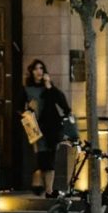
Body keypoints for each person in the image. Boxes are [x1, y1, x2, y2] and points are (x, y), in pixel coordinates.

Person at [22, 59, 72, 197]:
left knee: (49, 158)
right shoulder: (27, 89)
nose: (39, 71)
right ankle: (38, 181)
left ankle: (48, 190)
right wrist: (28, 110)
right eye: (36, 69)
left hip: (51, 128)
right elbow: (20, 108)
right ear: (32, 72)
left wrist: (49, 86)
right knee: (41, 157)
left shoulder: (49, 88)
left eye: (41, 68)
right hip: (34, 127)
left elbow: (62, 102)